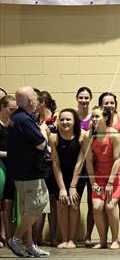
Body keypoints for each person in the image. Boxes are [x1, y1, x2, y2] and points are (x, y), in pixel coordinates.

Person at [7, 86, 50, 257]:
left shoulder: (15, 118)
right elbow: (41, 144)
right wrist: (43, 131)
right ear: (31, 101)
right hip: (31, 173)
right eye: (35, 98)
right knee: (36, 208)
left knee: (27, 211)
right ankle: (16, 239)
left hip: (20, 172)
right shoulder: (25, 120)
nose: (37, 102)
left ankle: (29, 245)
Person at [85, 106, 120, 249]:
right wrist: (93, 182)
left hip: (116, 174)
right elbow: (89, 161)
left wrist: (110, 182)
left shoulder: (113, 134)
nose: (94, 120)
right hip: (99, 174)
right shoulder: (91, 136)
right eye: (93, 117)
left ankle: (115, 239)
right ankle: (103, 240)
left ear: (106, 118)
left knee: (109, 206)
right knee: (96, 207)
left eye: (97, 116)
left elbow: (117, 160)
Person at [98, 92, 120, 247]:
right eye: (106, 103)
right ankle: (105, 239)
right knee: (100, 204)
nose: (109, 105)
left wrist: (119, 138)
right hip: (102, 167)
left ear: (116, 104)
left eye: (112, 102)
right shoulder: (98, 119)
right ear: (101, 105)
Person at [50, 109, 85, 249]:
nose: (65, 122)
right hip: (59, 175)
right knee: (62, 205)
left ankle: (72, 240)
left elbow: (80, 162)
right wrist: (63, 188)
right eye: (62, 119)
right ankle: (64, 239)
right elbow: (55, 164)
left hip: (77, 176)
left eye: (68, 119)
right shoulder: (54, 138)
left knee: (74, 206)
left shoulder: (82, 136)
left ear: (75, 121)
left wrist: (72, 186)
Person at [34, 90, 58, 246]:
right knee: (40, 202)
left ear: (42, 103)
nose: (33, 105)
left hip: (53, 164)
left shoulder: (56, 119)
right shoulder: (33, 120)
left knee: (53, 202)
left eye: (36, 102)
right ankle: (37, 238)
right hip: (38, 165)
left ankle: (54, 237)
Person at [75, 87, 94, 246]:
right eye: (81, 97)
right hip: (76, 164)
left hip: (93, 164)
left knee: (91, 201)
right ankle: (72, 235)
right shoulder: (72, 117)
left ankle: (88, 235)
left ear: (90, 99)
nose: (84, 100)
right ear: (77, 98)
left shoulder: (93, 117)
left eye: (86, 98)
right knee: (75, 200)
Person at [0, 96, 17, 246]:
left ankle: (10, 236)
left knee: (9, 201)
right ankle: (4, 235)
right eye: (11, 109)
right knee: (3, 201)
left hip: (13, 168)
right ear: (2, 107)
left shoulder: (13, 125)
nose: (14, 112)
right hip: (1, 167)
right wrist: (7, 154)